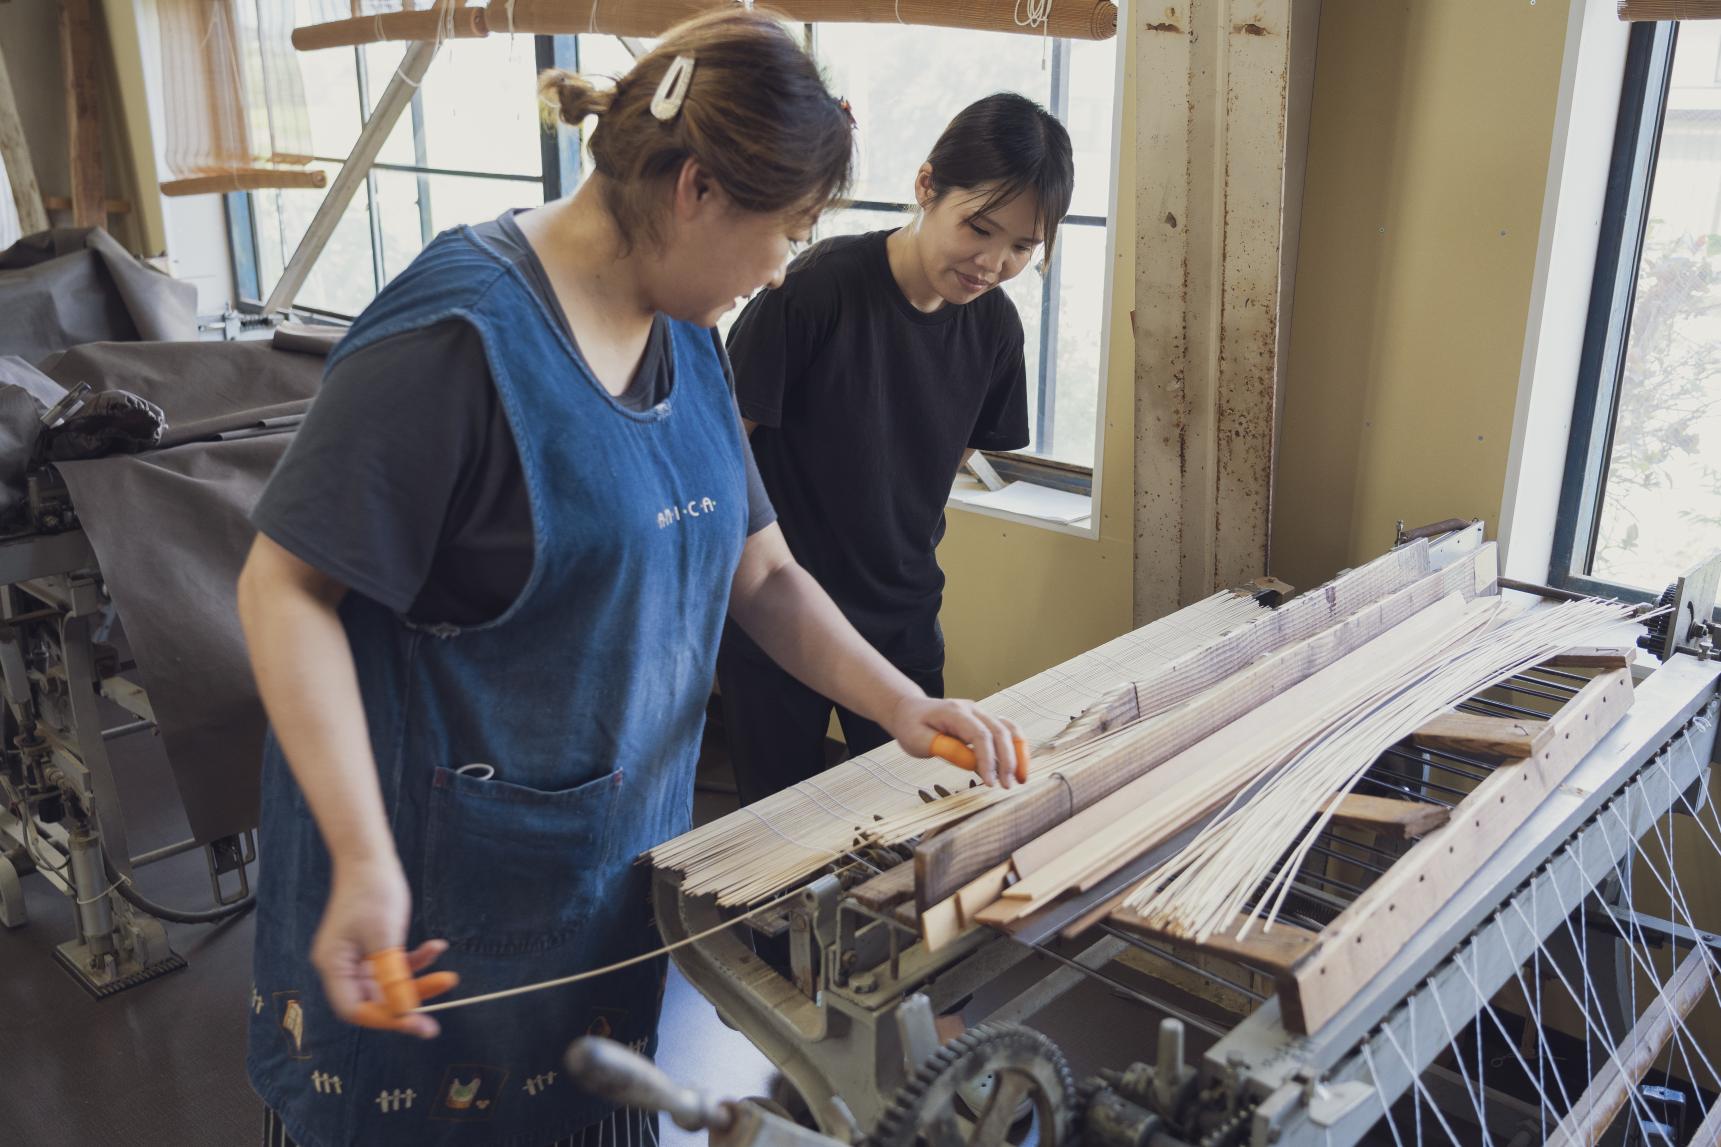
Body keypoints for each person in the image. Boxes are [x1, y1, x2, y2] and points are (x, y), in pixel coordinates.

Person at [236, 13, 1024, 1147]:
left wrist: (900, 704)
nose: (784, 266)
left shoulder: (687, 333)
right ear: (697, 189)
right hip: (428, 900)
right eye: (786, 231)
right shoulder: (455, 337)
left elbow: (761, 574)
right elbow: (283, 590)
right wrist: (360, 855)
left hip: (596, 887)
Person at [717, 92, 1074, 806]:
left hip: (901, 614)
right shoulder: (812, 291)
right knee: (772, 829)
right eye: (979, 227)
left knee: (913, 813)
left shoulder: (995, 330)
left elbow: (944, 462)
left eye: (1022, 246)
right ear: (925, 185)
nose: (992, 261)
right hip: (779, 614)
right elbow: (721, 461)